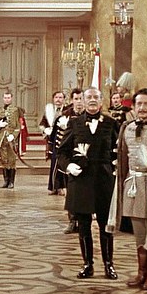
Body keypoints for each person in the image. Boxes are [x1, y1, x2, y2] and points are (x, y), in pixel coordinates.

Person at [106, 89, 147, 289]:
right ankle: (141, 272)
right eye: (138, 104)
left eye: (146, 104)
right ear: (133, 106)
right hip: (133, 184)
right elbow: (123, 158)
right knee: (140, 232)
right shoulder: (126, 127)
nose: (142, 108)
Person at [57, 88, 120, 279]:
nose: (92, 100)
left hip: (104, 180)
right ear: (82, 101)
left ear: (101, 101)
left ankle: (109, 265)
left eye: (96, 97)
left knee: (105, 225)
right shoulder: (74, 123)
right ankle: (88, 264)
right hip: (81, 180)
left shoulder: (111, 123)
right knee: (83, 225)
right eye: (89, 97)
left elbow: (118, 150)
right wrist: (69, 167)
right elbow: (62, 152)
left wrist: (116, 166)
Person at [58, 88, 86, 233]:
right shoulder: (66, 116)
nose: (79, 102)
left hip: (87, 161)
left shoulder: (91, 117)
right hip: (71, 160)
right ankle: (72, 220)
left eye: (81, 99)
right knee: (72, 193)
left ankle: (84, 220)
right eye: (76, 99)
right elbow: (61, 143)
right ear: (72, 101)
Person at [0, 91, 26, 189]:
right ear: (3, 98)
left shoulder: (16, 110)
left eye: (8, 98)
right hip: (1, 138)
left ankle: (11, 182)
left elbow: (19, 125)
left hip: (11, 139)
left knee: (12, 160)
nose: (7, 99)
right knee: (4, 160)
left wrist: (14, 135)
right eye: (5, 98)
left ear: (11, 98)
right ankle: (6, 181)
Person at [40, 91, 65, 195]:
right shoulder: (49, 111)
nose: (58, 99)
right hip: (52, 141)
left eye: (60, 97)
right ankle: (53, 187)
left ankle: (61, 187)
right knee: (54, 164)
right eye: (56, 97)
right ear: (53, 99)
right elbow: (42, 124)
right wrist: (46, 130)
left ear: (64, 99)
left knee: (62, 165)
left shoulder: (67, 111)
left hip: (64, 140)